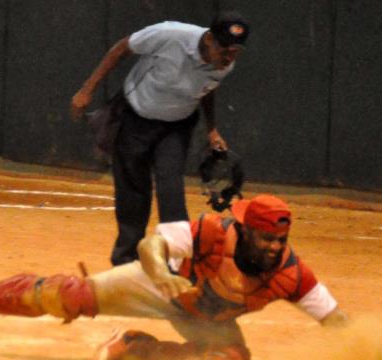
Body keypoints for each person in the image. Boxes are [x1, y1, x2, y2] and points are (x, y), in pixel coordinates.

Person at [0, 194, 348, 360]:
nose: (274, 247)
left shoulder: (293, 275)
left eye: (280, 240)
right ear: (245, 229)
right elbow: (153, 244)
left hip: (206, 317)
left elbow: (337, 321)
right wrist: (163, 274)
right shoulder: (211, 231)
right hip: (160, 287)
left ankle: (135, 348)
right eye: (266, 238)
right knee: (69, 295)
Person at [70, 11, 249, 266]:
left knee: (170, 183)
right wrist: (87, 89)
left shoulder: (225, 64)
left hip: (177, 126)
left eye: (235, 52)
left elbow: (206, 91)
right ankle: (126, 261)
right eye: (224, 50)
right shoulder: (169, 34)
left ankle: (175, 260)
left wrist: (212, 129)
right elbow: (122, 48)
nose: (229, 58)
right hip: (134, 118)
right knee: (133, 188)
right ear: (209, 39)